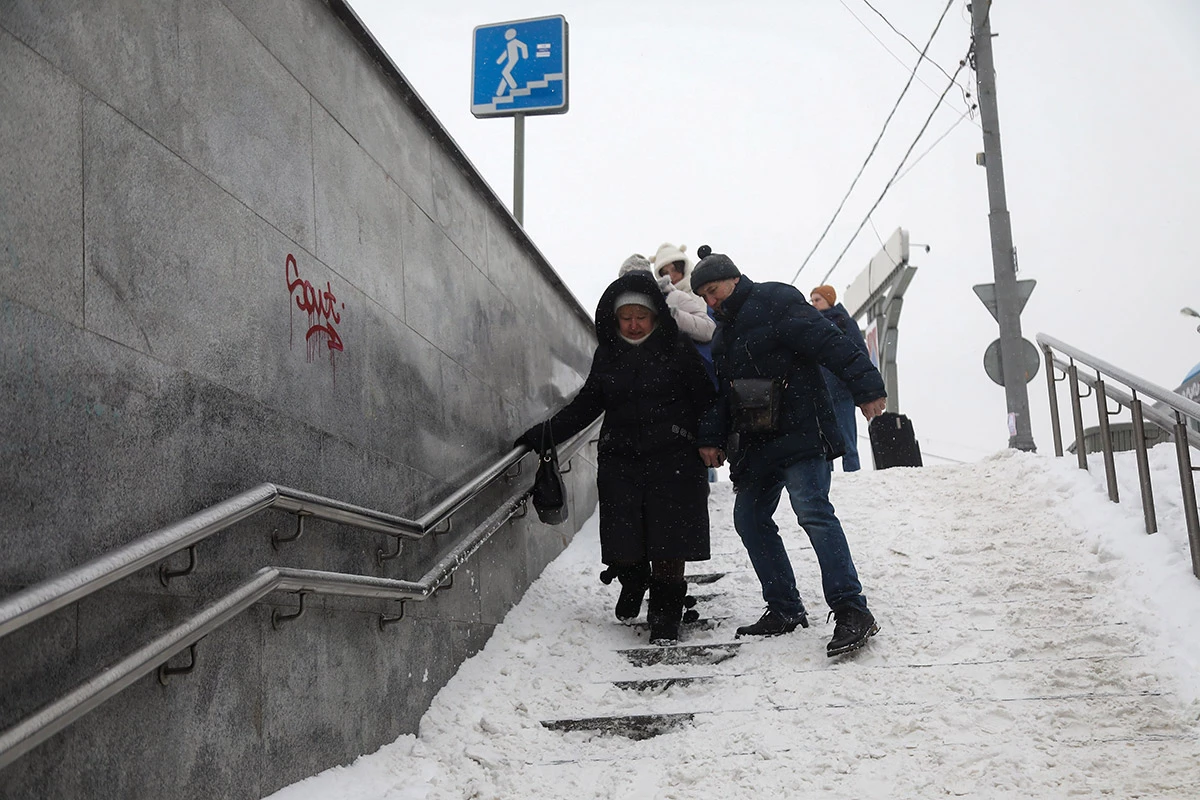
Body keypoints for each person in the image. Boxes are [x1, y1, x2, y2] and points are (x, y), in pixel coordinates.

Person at [691, 245, 887, 657]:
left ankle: (852, 608)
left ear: (733, 278)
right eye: (704, 296)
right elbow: (724, 394)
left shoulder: (775, 300)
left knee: (812, 511)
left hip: (801, 429)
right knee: (749, 518)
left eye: (714, 290)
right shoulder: (723, 334)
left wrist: (866, 387)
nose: (711, 302)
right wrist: (711, 437)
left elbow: (829, 343)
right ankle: (784, 608)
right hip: (757, 442)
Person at [516, 270, 717, 645]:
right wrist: (544, 436)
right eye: (627, 318)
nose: (635, 324)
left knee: (669, 541)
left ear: (656, 316)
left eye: (641, 317)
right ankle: (633, 577)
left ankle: (665, 613)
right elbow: (587, 405)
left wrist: (709, 440)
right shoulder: (608, 354)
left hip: (673, 458)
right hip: (622, 460)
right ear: (615, 318)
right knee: (624, 539)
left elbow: (707, 400)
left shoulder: (677, 350)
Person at [809, 284, 871, 472]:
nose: (814, 304)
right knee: (824, 440)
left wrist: (853, 381)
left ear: (829, 299)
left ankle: (852, 476)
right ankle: (829, 478)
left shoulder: (844, 322)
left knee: (846, 438)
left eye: (817, 299)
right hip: (820, 391)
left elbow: (859, 353)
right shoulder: (811, 324)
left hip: (841, 391)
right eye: (811, 300)